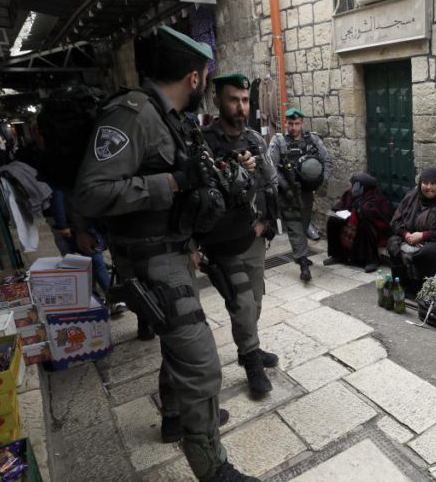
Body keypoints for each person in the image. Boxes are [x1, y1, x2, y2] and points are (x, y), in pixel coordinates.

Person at [73, 26, 258, 482]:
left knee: (180, 347)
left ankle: (174, 417)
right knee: (200, 361)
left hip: (173, 252)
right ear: (195, 78)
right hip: (150, 260)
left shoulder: (170, 118)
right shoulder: (132, 114)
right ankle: (214, 471)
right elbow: (90, 194)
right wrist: (172, 183)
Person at [196, 73, 279, 398]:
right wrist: (229, 170)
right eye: (233, 99)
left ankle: (250, 348)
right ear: (217, 101)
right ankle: (251, 364)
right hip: (221, 244)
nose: (240, 106)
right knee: (243, 304)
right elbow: (194, 193)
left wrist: (266, 223)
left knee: (255, 303)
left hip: (252, 239)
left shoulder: (256, 141)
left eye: (245, 100)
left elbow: (272, 184)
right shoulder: (204, 142)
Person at [268, 108, 331, 282]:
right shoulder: (278, 142)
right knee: (295, 225)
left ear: (302, 123)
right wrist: (283, 186)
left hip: (306, 193)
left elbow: (326, 160)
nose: (293, 127)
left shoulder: (313, 139)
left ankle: (300, 253)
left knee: (302, 224)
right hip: (286, 193)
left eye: (296, 124)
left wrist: (320, 182)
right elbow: (270, 167)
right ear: (285, 123)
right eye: (290, 124)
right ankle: (303, 264)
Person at [323, 172, 392, 273]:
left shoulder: (375, 196)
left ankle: (372, 260)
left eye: (357, 184)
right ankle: (338, 255)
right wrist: (338, 212)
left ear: (364, 186)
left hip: (371, 226)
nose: (354, 187)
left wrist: (359, 204)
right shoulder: (350, 193)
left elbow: (372, 214)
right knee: (333, 221)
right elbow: (341, 206)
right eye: (354, 184)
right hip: (350, 220)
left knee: (365, 225)